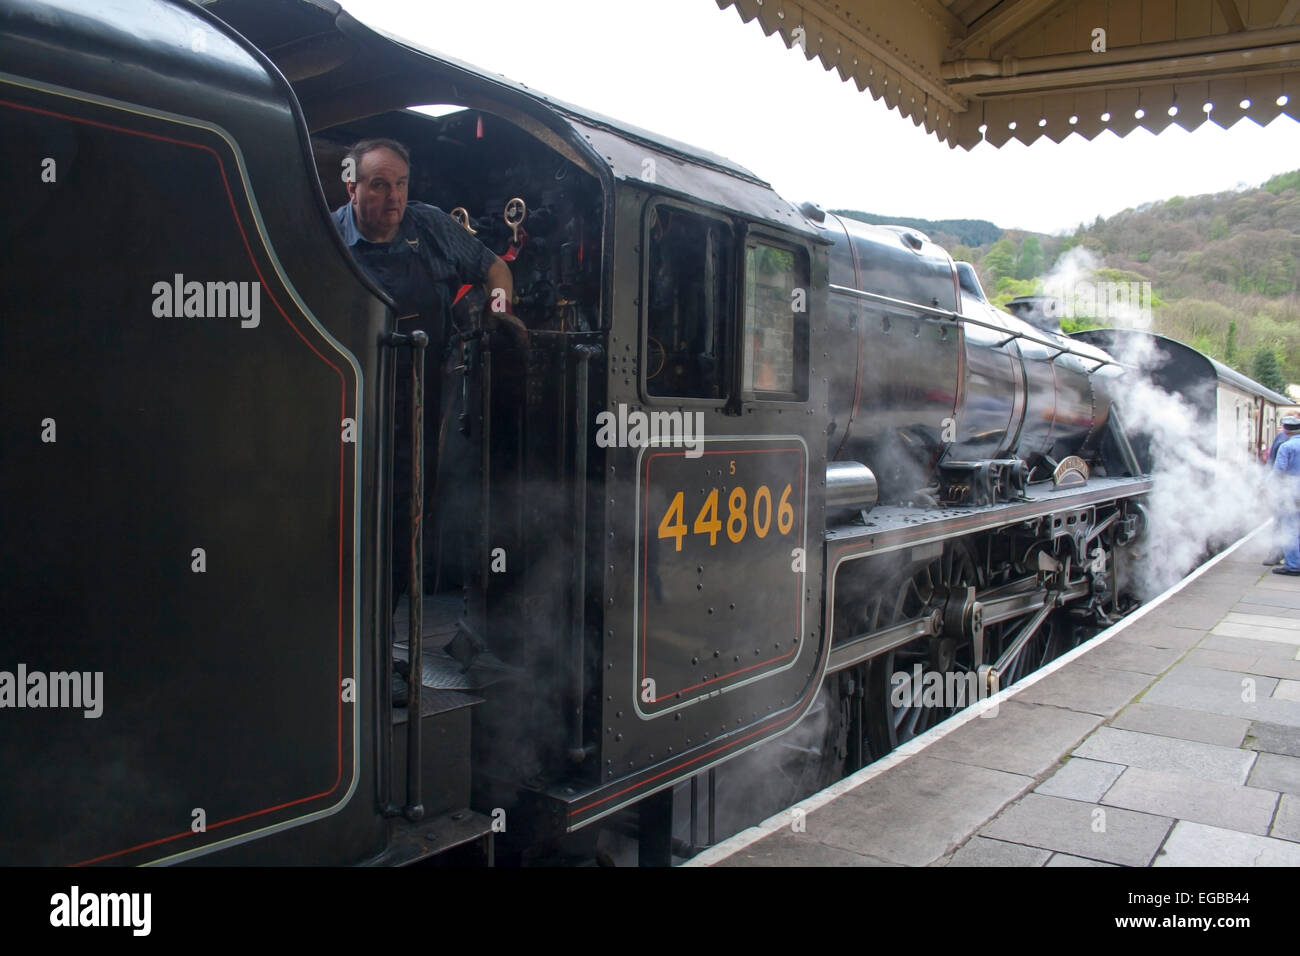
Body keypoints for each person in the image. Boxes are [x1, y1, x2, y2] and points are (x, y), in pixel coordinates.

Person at [333, 138, 526, 604]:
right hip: (345, 401)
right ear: (351, 189)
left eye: (400, 184)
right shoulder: (326, 234)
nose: (393, 197)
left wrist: (498, 311)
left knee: (408, 514)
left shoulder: (431, 226)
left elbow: (494, 267)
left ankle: (387, 635)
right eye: (379, 185)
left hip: (420, 398)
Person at [1271, 416, 1300, 575]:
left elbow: (1279, 471)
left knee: (1290, 528)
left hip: (1292, 491)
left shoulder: (1286, 446)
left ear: (1285, 430)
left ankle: (1294, 565)